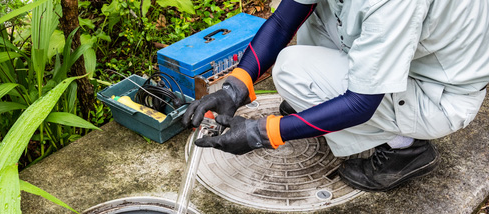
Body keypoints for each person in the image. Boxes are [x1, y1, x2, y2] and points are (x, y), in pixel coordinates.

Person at [182, 0, 489, 192]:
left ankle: (406, 149)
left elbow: (361, 103)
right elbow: (283, 20)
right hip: (416, 53)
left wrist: (262, 132)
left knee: (291, 70)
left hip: (436, 89)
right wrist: (235, 85)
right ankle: (319, 105)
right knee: (318, 11)